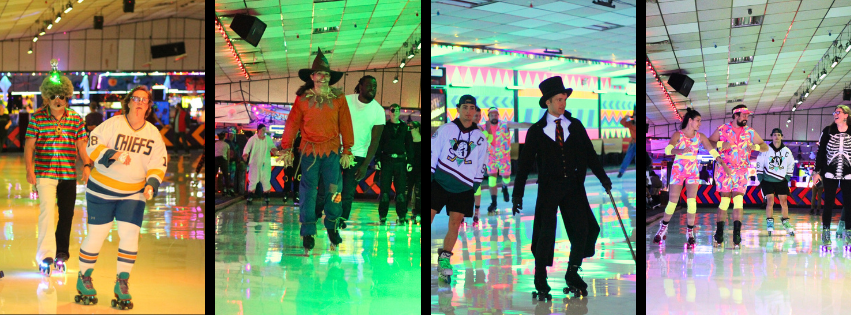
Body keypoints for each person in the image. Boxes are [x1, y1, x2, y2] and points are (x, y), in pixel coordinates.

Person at [511, 76, 611, 299]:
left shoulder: (574, 126)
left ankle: (572, 272)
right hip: (549, 187)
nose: (562, 103)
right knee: (545, 233)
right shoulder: (537, 131)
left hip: (574, 185)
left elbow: (589, 154)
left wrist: (603, 178)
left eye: (564, 99)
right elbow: (525, 165)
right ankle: (540, 277)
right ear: (547, 102)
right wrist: (517, 193)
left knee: (583, 229)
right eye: (558, 99)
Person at [77, 85, 167, 308]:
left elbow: (158, 162)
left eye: (144, 100)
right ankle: (84, 278)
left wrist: (151, 184)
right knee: (97, 235)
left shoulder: (152, 134)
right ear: (128, 102)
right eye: (135, 99)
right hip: (101, 190)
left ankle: (122, 282)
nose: (139, 103)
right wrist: (113, 154)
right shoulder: (113, 124)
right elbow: (92, 144)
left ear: (148, 107)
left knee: (130, 236)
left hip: (134, 193)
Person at [277, 48, 354, 253]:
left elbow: (345, 123)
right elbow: (292, 123)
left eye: (326, 74)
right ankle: (308, 231)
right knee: (308, 193)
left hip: (331, 153)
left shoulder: (339, 97)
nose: (322, 77)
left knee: (334, 191)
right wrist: (287, 148)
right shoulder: (302, 98)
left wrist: (347, 149)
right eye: (319, 74)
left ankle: (332, 225)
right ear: (312, 76)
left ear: (330, 77)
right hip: (309, 153)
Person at [26, 71, 92, 276]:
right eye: (53, 96)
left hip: (67, 175)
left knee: (67, 214)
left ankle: (61, 253)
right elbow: (29, 147)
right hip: (44, 172)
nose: (58, 100)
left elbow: (82, 145)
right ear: (47, 97)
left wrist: (87, 165)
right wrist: (29, 170)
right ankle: (45, 254)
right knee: (47, 211)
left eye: (61, 96)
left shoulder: (75, 119)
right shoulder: (37, 118)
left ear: (67, 97)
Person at [652, 108, 731, 247]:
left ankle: (690, 232)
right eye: (698, 120)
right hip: (678, 170)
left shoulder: (699, 136)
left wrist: (722, 163)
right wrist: (680, 150)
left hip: (692, 171)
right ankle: (663, 228)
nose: (700, 123)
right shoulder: (678, 134)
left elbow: (711, 150)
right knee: (672, 202)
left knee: (691, 201)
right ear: (690, 120)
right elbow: (668, 150)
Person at [314, 75, 385, 228]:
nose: (373, 89)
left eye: (375, 86)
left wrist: (365, 165)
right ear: (360, 86)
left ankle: (342, 219)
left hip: (358, 156)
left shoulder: (378, 111)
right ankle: (316, 212)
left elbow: (375, 141)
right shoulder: (345, 100)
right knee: (326, 185)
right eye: (369, 85)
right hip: (336, 150)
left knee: (348, 191)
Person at [431, 94, 488, 283]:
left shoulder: (480, 137)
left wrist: (475, 186)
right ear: (458, 109)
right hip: (440, 182)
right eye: (465, 107)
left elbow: (482, 163)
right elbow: (433, 152)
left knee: (455, 224)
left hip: (464, 187)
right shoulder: (446, 130)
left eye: (472, 108)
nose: (469, 111)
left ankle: (445, 260)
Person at [707, 104, 769, 248]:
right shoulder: (722, 129)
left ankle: (737, 235)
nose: (746, 117)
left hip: (742, 171)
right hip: (724, 169)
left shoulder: (750, 132)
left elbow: (765, 146)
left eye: (747, 115)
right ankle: (720, 234)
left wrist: (756, 147)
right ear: (735, 115)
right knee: (724, 201)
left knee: (739, 201)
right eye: (744, 115)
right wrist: (722, 143)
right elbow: (709, 142)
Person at [482, 107, 534, 216]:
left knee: (506, 177)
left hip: (504, 156)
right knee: (492, 179)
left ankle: (504, 186)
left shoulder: (505, 124)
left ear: (498, 115)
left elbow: (521, 125)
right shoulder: (485, 126)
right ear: (489, 116)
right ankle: (494, 202)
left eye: (496, 115)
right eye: (492, 115)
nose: (494, 117)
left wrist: (536, 125)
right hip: (491, 156)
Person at [813, 105, 851, 246]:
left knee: (849, 203)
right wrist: (816, 172)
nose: (835, 114)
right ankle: (826, 231)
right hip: (830, 172)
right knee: (828, 202)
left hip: (849, 173)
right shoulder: (828, 131)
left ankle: (848, 231)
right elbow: (821, 152)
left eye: (838, 112)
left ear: (846, 115)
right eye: (834, 112)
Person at [375, 103, 413, 224]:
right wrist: (378, 160)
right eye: (392, 110)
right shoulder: (384, 127)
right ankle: (383, 216)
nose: (394, 112)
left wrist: (409, 161)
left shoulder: (404, 127)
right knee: (385, 191)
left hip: (400, 161)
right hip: (387, 160)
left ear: (399, 112)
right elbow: (379, 144)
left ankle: (401, 215)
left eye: (396, 110)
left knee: (401, 191)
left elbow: (409, 145)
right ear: (389, 112)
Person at [755, 128, 796, 237]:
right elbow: (759, 162)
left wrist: (787, 177)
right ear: (771, 136)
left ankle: (786, 221)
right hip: (767, 179)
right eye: (774, 135)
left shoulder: (787, 151)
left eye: (778, 134)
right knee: (770, 201)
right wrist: (760, 178)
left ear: (782, 136)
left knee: (784, 202)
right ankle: (770, 222)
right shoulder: (766, 149)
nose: (776, 137)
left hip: (781, 180)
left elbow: (791, 163)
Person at [242, 124, 277, 204]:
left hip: (265, 163)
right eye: (263, 129)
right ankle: (250, 196)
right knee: (253, 179)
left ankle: (267, 196)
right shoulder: (253, 139)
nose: (264, 131)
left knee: (266, 179)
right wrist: (245, 154)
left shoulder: (267, 139)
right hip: (255, 163)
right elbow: (247, 147)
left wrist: (274, 150)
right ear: (258, 130)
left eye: (265, 130)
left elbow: (272, 146)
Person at [406, 120, 422, 224]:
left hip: (419, 170)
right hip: (409, 169)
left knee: (418, 193)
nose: (409, 130)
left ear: (417, 128)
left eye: (411, 128)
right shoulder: (408, 141)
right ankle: (404, 213)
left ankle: (417, 213)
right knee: (407, 191)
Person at [617, 108, 637, 178]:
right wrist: (626, 117)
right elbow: (622, 122)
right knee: (627, 158)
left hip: (634, 143)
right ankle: (621, 172)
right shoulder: (630, 123)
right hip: (632, 144)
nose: (635, 117)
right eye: (634, 116)